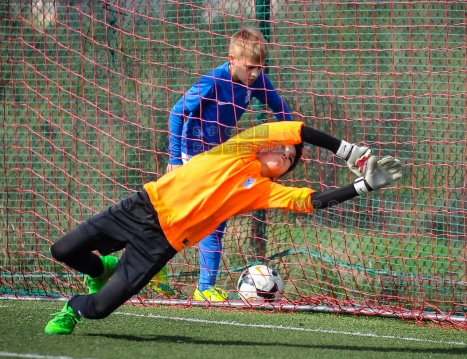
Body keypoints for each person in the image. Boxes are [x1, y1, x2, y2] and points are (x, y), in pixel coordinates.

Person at [43, 121, 403, 335]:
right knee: (63, 250)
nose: (283, 152)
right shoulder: (237, 149)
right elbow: (292, 129)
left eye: (290, 158)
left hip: (161, 243)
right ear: (262, 148)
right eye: (279, 148)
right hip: (141, 207)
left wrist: (364, 186)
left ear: (282, 171)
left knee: (100, 309)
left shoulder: (263, 190)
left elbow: (306, 202)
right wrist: (347, 151)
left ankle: (74, 307)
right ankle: (102, 268)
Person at [150, 28, 294, 300]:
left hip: (219, 158)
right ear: (232, 58)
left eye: (259, 67)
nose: (254, 73)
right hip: (192, 155)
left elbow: (281, 109)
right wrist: (174, 159)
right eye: (250, 67)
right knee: (185, 217)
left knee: (214, 219)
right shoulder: (212, 81)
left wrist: (291, 139)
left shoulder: (258, 81)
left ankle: (203, 287)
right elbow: (177, 114)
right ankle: (151, 265)